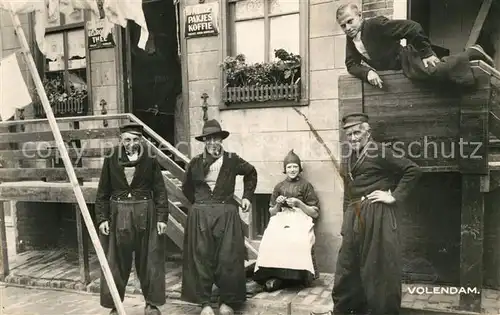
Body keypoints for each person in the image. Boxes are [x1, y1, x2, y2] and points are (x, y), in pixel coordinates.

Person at [331, 113, 423, 315]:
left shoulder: (380, 151)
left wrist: (394, 196)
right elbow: (349, 190)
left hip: (378, 215)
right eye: (349, 134)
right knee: (347, 265)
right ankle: (347, 310)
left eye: (357, 133)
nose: (353, 138)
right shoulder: (349, 156)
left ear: (367, 132)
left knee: (379, 268)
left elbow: (412, 170)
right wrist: (346, 222)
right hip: (355, 215)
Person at [181, 119, 258, 315]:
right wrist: (200, 204)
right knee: (201, 257)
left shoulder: (232, 159)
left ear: (221, 140)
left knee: (228, 258)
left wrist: (247, 197)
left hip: (227, 215)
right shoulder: (195, 163)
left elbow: (251, 173)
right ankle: (205, 303)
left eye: (216, 138)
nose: (212, 142)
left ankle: (227, 301)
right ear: (204, 141)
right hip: (201, 216)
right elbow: (187, 188)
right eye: (209, 139)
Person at [95, 123, 169, 315]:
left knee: (149, 261)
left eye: (136, 139)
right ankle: (114, 306)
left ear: (141, 140)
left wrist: (162, 217)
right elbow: (103, 191)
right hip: (118, 214)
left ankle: (151, 304)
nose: (131, 143)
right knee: (116, 262)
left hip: (146, 213)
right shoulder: (111, 158)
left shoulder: (150, 159)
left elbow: (160, 190)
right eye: (127, 139)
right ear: (121, 140)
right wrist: (102, 218)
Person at [336, 3, 495, 89]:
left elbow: (412, 27)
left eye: (350, 21)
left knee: (434, 71)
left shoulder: (374, 25)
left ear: (360, 17)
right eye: (343, 26)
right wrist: (367, 73)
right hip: (394, 70)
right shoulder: (351, 39)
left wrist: (426, 53)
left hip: (406, 58)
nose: (348, 28)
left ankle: (472, 52)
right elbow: (351, 64)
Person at [253, 150, 320, 292]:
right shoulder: (279, 186)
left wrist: (299, 203)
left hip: (301, 218)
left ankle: (295, 277)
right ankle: (274, 275)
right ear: (285, 169)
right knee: (270, 237)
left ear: (299, 168)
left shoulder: (306, 185)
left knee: (295, 239)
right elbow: (272, 212)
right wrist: (278, 204)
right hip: (282, 218)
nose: (292, 170)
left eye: (295, 166)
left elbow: (315, 212)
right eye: (289, 167)